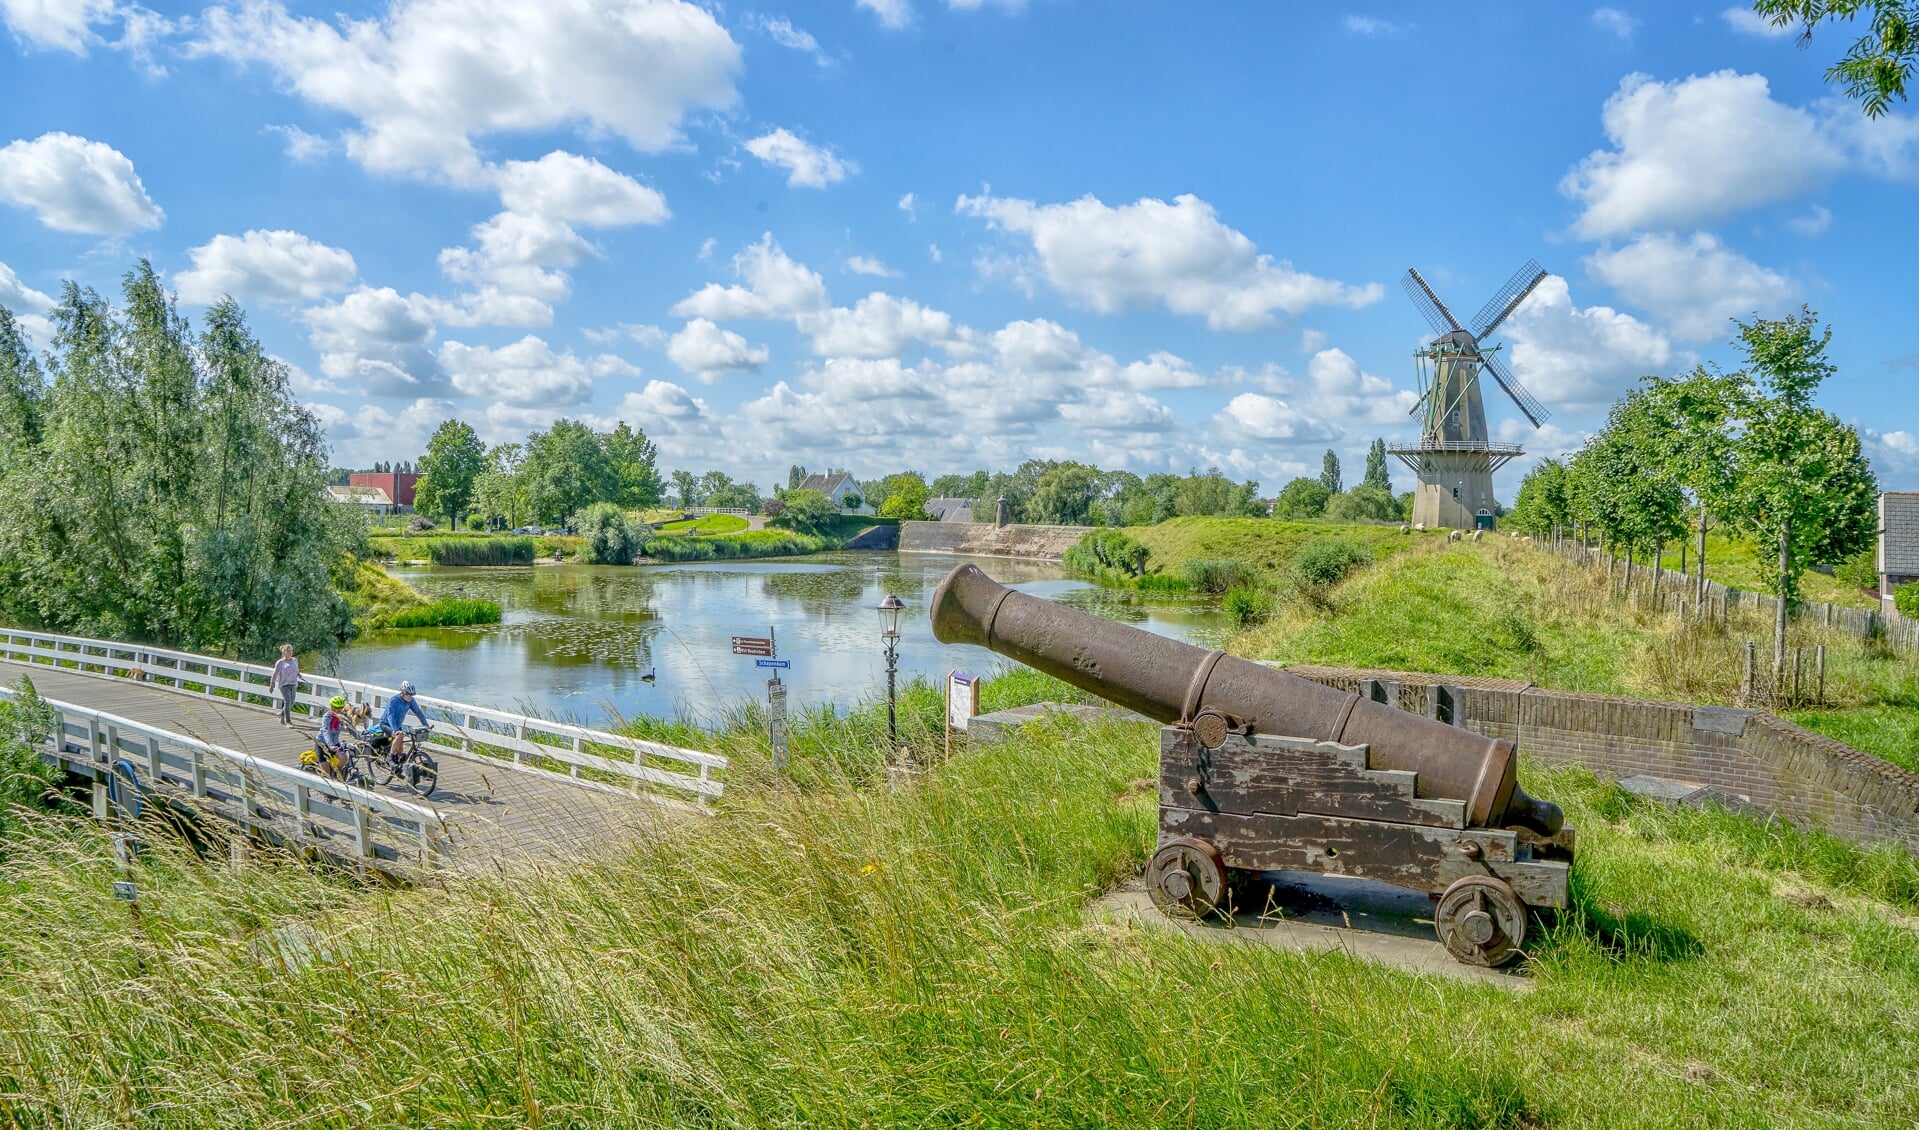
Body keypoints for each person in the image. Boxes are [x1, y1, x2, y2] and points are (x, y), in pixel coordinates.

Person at [369, 680, 429, 761]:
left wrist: (426, 725)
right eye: (407, 694)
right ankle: (391, 757)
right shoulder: (394, 700)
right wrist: (396, 730)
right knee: (399, 736)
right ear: (402, 692)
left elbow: (418, 712)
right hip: (386, 724)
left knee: (400, 752)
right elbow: (390, 716)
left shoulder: (410, 700)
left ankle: (396, 767)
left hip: (397, 725)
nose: (409, 697)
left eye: (411, 695)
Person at [312, 695, 351, 780]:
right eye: (336, 708)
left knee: (344, 758)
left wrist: (360, 738)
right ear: (332, 707)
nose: (338, 710)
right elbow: (326, 732)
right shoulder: (327, 717)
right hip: (322, 743)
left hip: (335, 742)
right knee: (326, 770)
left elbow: (350, 727)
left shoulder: (342, 717)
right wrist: (330, 746)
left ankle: (337, 774)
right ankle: (325, 789)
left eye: (340, 707)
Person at [269, 644, 300, 725]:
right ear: (284, 652)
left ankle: (281, 714)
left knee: (291, 702)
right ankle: (288, 721)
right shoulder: (280, 662)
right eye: (288, 651)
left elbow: (296, 670)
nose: (290, 652)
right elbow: (275, 674)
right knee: (287, 701)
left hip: (293, 683)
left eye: (291, 650)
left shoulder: (295, 660)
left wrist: (298, 674)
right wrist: (272, 685)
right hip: (284, 684)